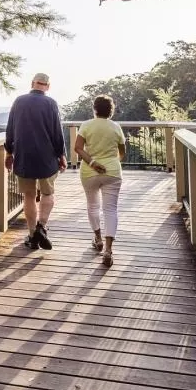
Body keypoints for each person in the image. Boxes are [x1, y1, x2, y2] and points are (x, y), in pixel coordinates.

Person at [4, 72, 67, 250]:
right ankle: (42, 227)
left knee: (29, 196)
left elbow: (10, 130)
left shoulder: (18, 101)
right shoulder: (51, 103)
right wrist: (61, 154)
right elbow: (57, 132)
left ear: (32, 83)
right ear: (47, 86)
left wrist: (9, 153)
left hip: (24, 156)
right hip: (47, 156)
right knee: (48, 193)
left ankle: (32, 235)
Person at [74, 95, 125, 266]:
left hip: (89, 172)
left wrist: (93, 163)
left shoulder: (86, 125)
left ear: (94, 109)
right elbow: (122, 152)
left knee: (92, 206)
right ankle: (109, 250)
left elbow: (78, 148)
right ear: (111, 111)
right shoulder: (116, 127)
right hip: (112, 172)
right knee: (110, 210)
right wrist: (111, 161)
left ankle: (97, 238)